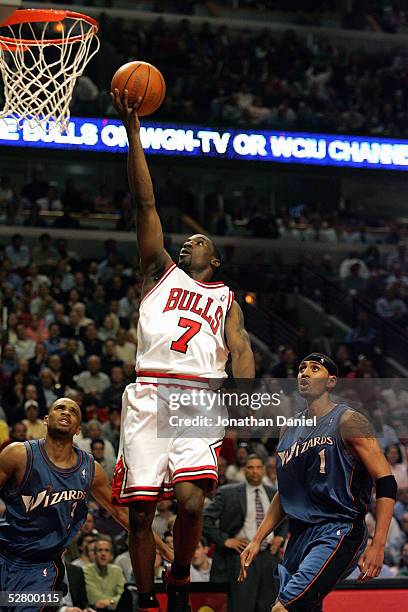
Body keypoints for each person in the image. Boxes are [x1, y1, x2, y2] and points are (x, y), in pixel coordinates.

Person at [110, 89, 255, 612]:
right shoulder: (157, 273)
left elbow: (238, 348)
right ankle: (148, 599)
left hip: (198, 399)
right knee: (144, 512)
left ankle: (178, 580)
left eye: (199, 242)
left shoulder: (224, 297)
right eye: (185, 239)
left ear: (214, 262)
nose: (188, 242)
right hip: (151, 394)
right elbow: (144, 203)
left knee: (193, 499)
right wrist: (133, 131)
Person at [239, 353, 397, 612]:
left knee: (283, 608)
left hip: (338, 528)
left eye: (314, 368)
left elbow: (386, 481)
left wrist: (379, 544)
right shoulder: (288, 429)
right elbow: (286, 493)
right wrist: (257, 539)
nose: (305, 373)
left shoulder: (349, 420)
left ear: (331, 381)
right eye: (302, 368)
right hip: (299, 534)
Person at [0, 398, 171, 609]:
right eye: (60, 408)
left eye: (73, 411)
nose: (66, 413)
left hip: (41, 568)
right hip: (4, 552)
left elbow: (123, 514)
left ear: (79, 429)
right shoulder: (18, 454)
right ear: (46, 419)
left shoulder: (90, 469)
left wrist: (166, 551)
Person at [204, 454, 286, 612]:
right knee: (242, 607)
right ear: (244, 470)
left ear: (264, 470)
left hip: (269, 557)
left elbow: (285, 518)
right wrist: (225, 540)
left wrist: (280, 536)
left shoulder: (273, 493)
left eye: (258, 467)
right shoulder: (227, 492)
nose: (255, 471)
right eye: (250, 467)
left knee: (268, 607)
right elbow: (204, 519)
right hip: (242, 556)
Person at [83, 538, 125, 609]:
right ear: (95, 554)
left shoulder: (117, 570)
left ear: (111, 555)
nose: (103, 554)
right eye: (100, 550)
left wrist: (111, 601)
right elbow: (92, 597)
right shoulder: (86, 570)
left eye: (107, 550)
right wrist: (115, 601)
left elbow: (123, 595)